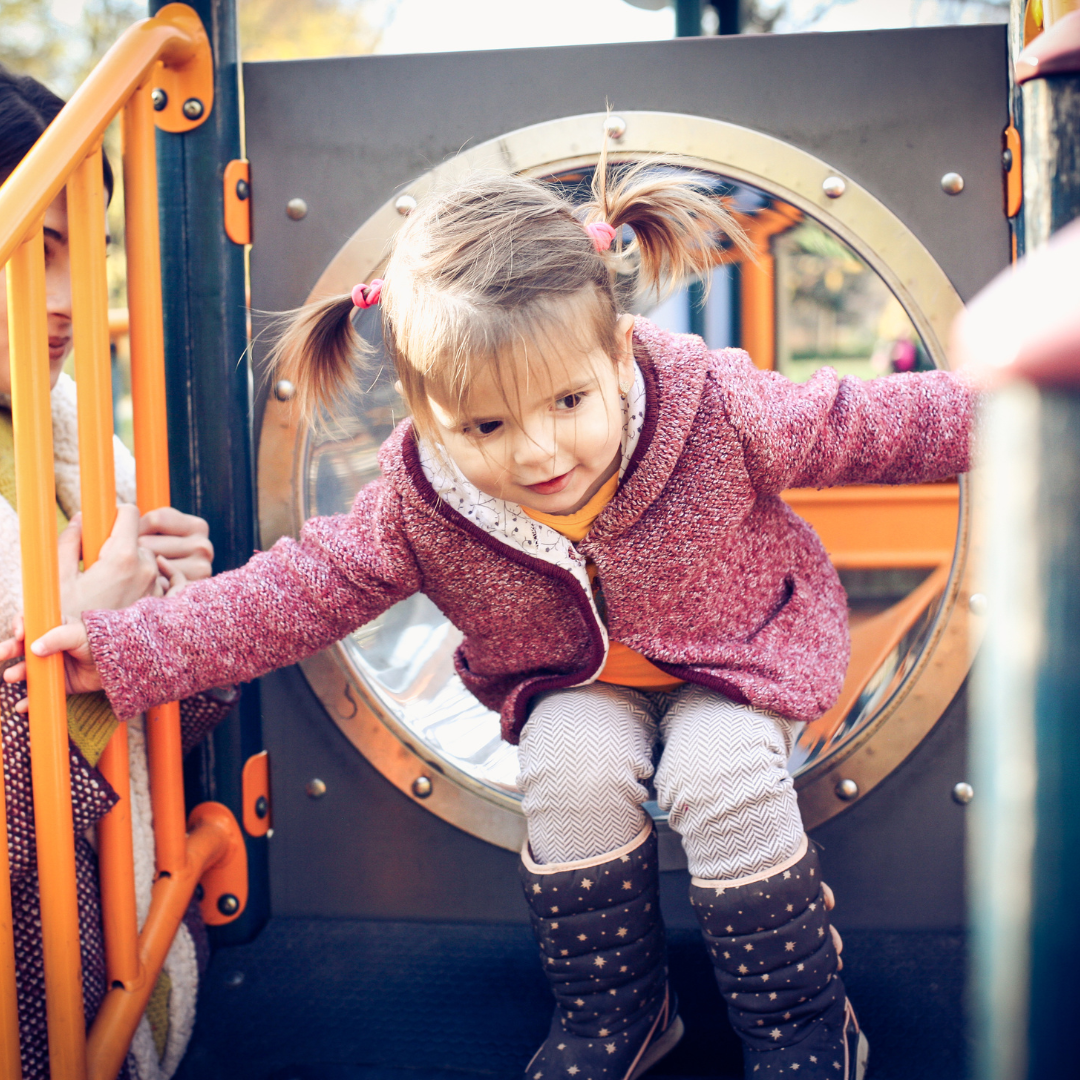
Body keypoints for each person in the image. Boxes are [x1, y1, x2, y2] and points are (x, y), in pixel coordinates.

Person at [6, 155, 977, 1080]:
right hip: (574, 681)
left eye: (567, 400)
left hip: (741, 660)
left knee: (720, 775)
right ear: (427, 418)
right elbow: (295, 590)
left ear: (618, 351)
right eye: (485, 426)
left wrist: (1025, 405)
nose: (540, 450)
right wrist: (125, 644)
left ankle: (803, 1024)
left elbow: (870, 422)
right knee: (567, 767)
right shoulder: (424, 500)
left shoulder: (715, 408)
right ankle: (620, 1016)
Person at [0, 64, 237, 1080]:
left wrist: (182, 628)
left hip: (121, 984)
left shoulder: (68, 446)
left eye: (84, 257)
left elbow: (153, 755)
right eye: (33, 251)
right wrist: (64, 673)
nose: (66, 305)